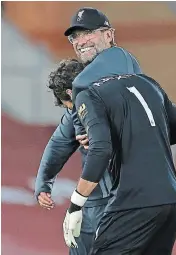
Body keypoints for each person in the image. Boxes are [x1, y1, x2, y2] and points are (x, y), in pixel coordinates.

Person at [47, 59, 176, 255]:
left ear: (70, 93)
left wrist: (75, 205)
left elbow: (101, 151)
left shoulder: (87, 94)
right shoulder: (146, 82)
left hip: (132, 201)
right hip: (171, 200)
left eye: (71, 108)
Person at [35, 7, 143, 255]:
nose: (80, 41)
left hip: (128, 195)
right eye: (75, 37)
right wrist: (44, 183)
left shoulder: (122, 62)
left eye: (89, 33)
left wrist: (101, 134)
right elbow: (59, 142)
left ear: (109, 35)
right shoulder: (82, 92)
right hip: (95, 198)